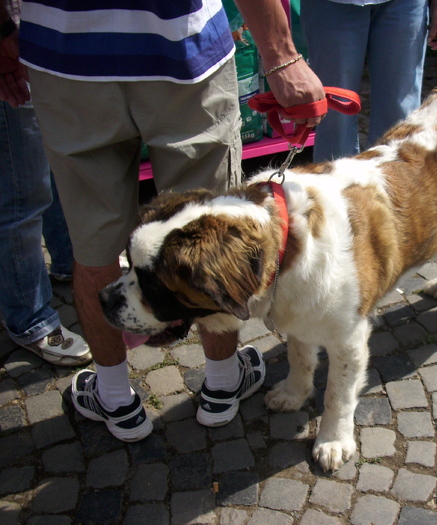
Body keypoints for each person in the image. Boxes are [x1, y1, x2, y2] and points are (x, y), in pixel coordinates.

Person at [0, 0, 325, 441]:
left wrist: (2, 30)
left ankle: (114, 398)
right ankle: (223, 383)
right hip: (180, 51)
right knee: (215, 233)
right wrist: (280, 53)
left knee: (93, 245)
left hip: (65, 57)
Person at [0, 1, 91, 367]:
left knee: (55, 163)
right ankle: (29, 317)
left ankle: (70, 259)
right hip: (12, 42)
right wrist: (4, 33)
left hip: (41, 38)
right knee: (20, 192)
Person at [301, 0, 437, 162]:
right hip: (331, 4)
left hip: (406, 5)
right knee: (334, 116)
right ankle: (334, 185)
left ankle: (396, 185)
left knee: (400, 116)